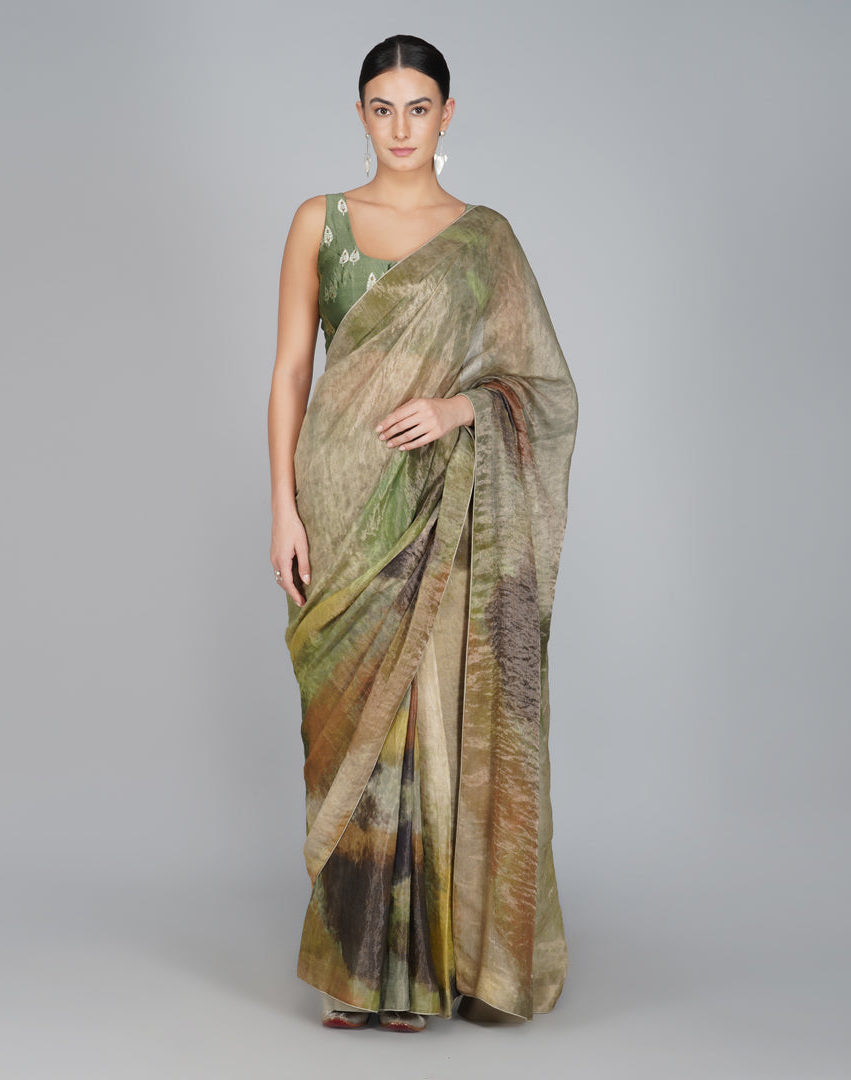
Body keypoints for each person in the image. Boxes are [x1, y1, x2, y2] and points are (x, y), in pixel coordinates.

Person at [267, 34, 578, 1032]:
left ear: (447, 114)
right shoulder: (320, 221)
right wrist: (282, 505)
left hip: (439, 508)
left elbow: (543, 388)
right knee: (345, 736)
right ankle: (354, 972)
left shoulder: (483, 240)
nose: (399, 127)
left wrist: (459, 411)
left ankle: (409, 975)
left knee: (426, 724)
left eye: (417, 107)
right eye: (381, 107)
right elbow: (290, 371)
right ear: (361, 115)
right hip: (338, 499)